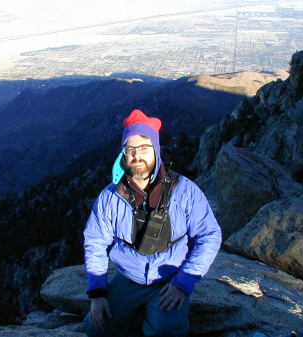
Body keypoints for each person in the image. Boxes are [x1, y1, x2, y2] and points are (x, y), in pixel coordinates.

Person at [83, 109, 222, 337]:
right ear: (123, 155)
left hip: (169, 279)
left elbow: (209, 235)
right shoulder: (111, 196)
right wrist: (97, 293)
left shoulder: (184, 190)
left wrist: (183, 282)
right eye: (131, 149)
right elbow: (95, 242)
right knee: (96, 329)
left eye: (145, 148)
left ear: (156, 151)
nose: (138, 155)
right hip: (129, 277)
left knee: (166, 332)